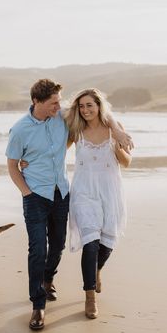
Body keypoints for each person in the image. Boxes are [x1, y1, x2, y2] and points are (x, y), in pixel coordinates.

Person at [5, 79, 133, 330]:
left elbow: (102, 118)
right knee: (47, 248)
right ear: (37, 102)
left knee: (68, 245)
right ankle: (51, 304)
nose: (60, 106)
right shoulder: (34, 128)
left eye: (59, 102)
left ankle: (60, 276)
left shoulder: (64, 117)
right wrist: (27, 179)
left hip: (73, 192)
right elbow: (28, 159)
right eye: (54, 102)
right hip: (53, 194)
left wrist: (116, 134)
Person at [64, 88, 132, 319]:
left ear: (99, 105)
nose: (85, 110)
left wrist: (116, 147)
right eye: (81, 106)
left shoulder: (115, 128)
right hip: (84, 191)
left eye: (89, 105)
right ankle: (90, 297)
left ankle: (97, 270)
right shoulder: (76, 129)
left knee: (107, 244)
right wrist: (29, 161)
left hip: (110, 190)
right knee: (90, 243)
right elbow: (56, 152)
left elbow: (127, 163)